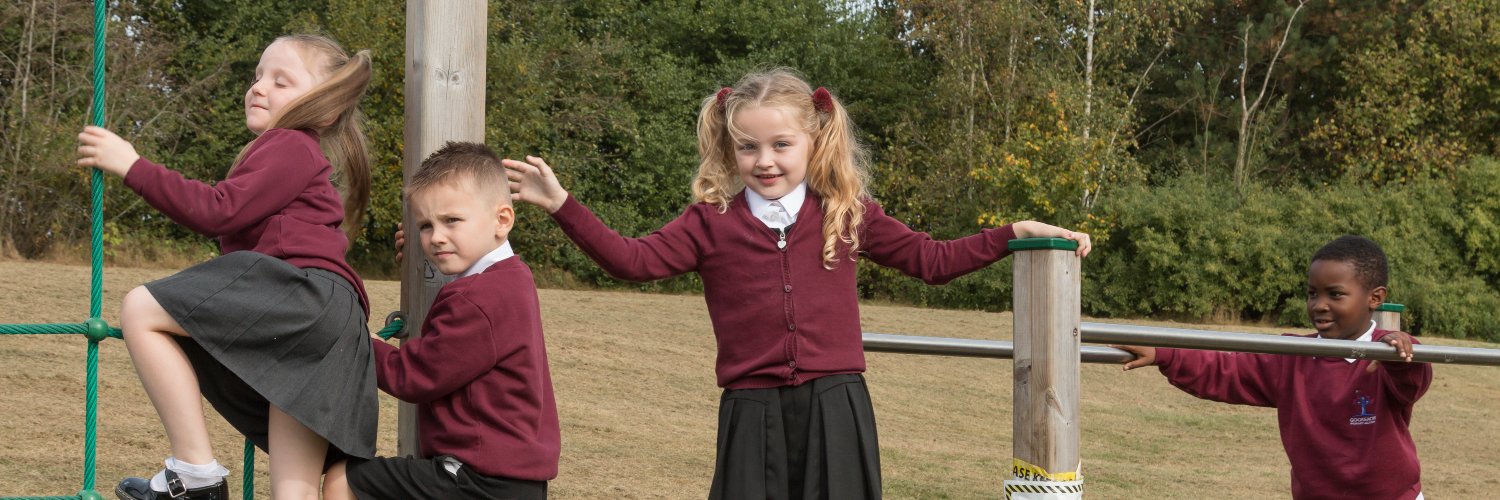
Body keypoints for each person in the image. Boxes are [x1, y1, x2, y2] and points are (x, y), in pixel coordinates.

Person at [502, 68, 1091, 499]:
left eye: (782, 144)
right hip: (749, 410)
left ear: (814, 141)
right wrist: (560, 204)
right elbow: (630, 260)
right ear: (729, 150)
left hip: (837, 407)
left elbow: (931, 261)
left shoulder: (849, 210)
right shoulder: (709, 221)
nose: (765, 160)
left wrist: (1013, 231)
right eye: (749, 147)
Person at [75, 34, 377, 500]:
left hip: (301, 297)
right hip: (330, 321)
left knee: (141, 309)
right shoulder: (299, 153)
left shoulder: (290, 143)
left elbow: (216, 210)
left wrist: (132, 165)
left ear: (324, 108)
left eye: (280, 81)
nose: (258, 87)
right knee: (294, 493)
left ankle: (195, 470)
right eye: (257, 76)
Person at [1115, 235, 1431, 500]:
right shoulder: (1293, 355)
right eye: (1312, 293)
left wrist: (1400, 351)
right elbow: (1226, 369)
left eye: (1335, 294)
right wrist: (1164, 353)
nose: (1319, 305)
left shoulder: (1386, 354)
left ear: (1375, 298)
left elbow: (1413, 378)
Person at [326, 142, 559, 500]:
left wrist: (353, 341)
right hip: (511, 483)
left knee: (343, 479)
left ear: (502, 220)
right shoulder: (512, 278)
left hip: (478, 481)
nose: (436, 237)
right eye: (425, 226)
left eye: (452, 220)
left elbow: (416, 375)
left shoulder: (477, 297)